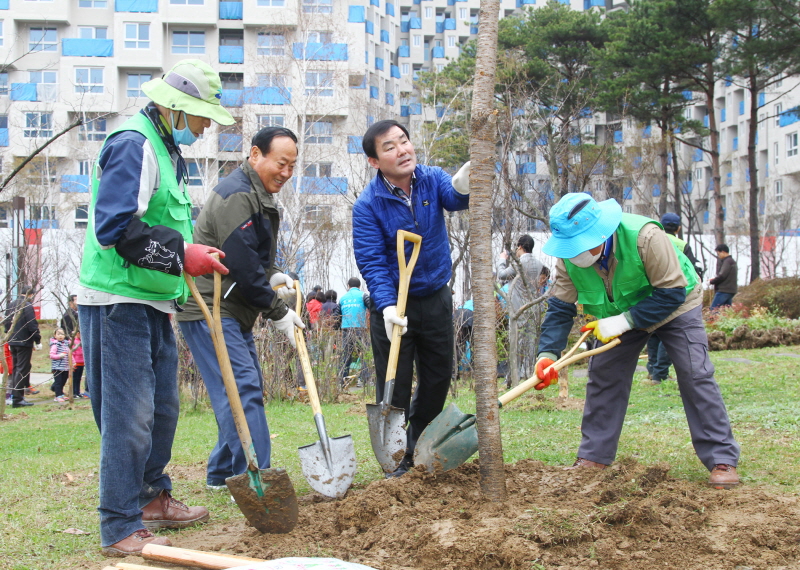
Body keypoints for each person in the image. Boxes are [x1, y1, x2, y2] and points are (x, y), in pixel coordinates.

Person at [77, 59, 234, 556]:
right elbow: (115, 229)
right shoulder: (133, 143)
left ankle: (150, 497)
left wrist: (189, 253)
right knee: (130, 414)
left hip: (154, 298)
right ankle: (119, 523)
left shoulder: (166, 146)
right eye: (202, 115)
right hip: (118, 299)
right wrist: (180, 254)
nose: (207, 125)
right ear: (175, 108)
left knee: (163, 409)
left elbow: (163, 219)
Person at [534, 193, 740, 489]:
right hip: (617, 313)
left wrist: (622, 322)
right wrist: (548, 354)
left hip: (675, 305)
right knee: (604, 376)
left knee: (695, 374)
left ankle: (722, 458)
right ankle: (594, 456)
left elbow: (671, 293)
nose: (575, 253)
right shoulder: (568, 258)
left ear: (601, 233)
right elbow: (561, 307)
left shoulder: (646, 236)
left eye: (580, 244)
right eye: (569, 247)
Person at [176, 126, 303, 492]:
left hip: (231, 307)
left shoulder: (256, 194)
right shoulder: (237, 195)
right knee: (242, 389)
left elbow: (255, 259)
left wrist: (275, 275)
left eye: (293, 166)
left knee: (239, 388)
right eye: (281, 163)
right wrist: (277, 312)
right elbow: (243, 264)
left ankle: (221, 475)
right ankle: (256, 480)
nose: (286, 173)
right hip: (211, 307)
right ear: (255, 155)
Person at [352, 119, 470, 477]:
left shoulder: (431, 178)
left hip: (435, 298)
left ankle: (422, 447)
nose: (402, 150)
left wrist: (463, 181)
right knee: (395, 384)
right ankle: (395, 458)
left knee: (437, 378)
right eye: (390, 146)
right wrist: (387, 307)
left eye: (404, 141)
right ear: (374, 161)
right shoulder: (368, 205)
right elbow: (372, 260)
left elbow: (455, 198)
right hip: (394, 307)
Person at [645, 213, 704, 385]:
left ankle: (651, 370)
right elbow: (691, 269)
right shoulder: (682, 244)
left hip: (652, 293)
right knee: (668, 336)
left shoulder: (651, 240)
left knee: (654, 334)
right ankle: (660, 374)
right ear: (678, 228)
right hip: (676, 295)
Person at [497, 234, 546, 380]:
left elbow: (501, 275)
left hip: (517, 309)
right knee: (530, 342)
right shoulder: (539, 264)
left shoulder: (519, 263)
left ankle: (513, 375)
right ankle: (528, 373)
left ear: (520, 247)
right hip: (532, 307)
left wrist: (502, 260)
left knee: (516, 342)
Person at [4, 286, 41, 408]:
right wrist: (37, 340)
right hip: (24, 341)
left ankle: (16, 396)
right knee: (21, 369)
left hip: (12, 340)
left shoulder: (11, 304)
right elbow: (32, 324)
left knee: (16, 369)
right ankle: (18, 399)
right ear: (31, 295)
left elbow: (6, 322)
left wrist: (8, 336)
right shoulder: (27, 305)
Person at [338, 277, 370, 386]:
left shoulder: (342, 298)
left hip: (346, 330)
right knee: (365, 354)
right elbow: (372, 307)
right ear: (359, 286)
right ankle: (364, 380)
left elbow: (337, 316)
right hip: (360, 329)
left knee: (346, 356)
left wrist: (337, 329)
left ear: (348, 286)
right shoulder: (363, 295)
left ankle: (343, 380)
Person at [709, 244, 738, 310]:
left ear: (723, 252)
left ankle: (712, 320)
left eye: (719, 254)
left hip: (724, 290)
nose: (718, 256)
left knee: (713, 309)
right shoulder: (732, 261)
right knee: (727, 310)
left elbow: (722, 275)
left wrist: (712, 281)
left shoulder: (727, 262)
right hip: (730, 290)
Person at [49, 328, 70, 403]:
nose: (60, 336)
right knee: (58, 382)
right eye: (58, 334)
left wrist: (73, 362)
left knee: (63, 381)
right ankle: (57, 395)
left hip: (65, 367)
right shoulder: (55, 345)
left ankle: (61, 394)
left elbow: (69, 354)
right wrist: (59, 356)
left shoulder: (66, 344)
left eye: (62, 334)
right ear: (55, 335)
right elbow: (51, 355)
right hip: (57, 367)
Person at [71, 330, 87, 399]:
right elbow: (72, 353)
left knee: (78, 378)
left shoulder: (82, 341)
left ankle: (78, 392)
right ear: (77, 334)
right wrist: (72, 363)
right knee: (74, 378)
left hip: (82, 363)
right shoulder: (74, 342)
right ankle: (74, 392)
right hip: (76, 363)